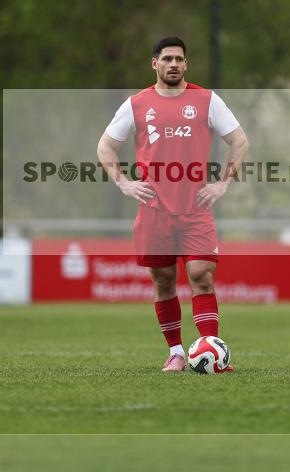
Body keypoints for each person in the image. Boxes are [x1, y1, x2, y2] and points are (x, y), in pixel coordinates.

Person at [96, 36, 248, 372]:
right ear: (155, 64)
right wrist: (124, 183)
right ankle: (177, 352)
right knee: (163, 281)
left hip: (195, 209)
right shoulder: (136, 104)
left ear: (186, 64)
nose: (174, 64)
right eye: (167, 59)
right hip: (154, 210)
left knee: (202, 275)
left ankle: (213, 351)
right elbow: (105, 147)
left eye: (179, 59)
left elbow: (239, 141)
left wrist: (222, 183)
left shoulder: (207, 100)